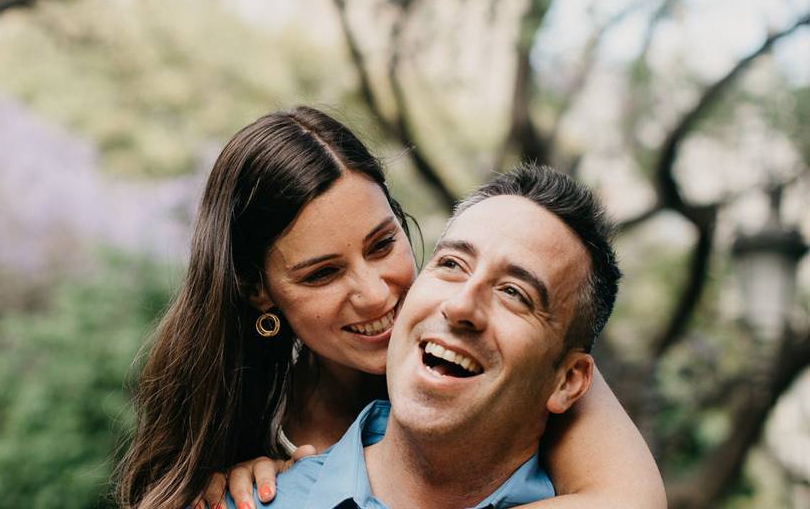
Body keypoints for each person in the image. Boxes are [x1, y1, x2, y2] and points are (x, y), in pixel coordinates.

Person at [115, 107, 665, 509]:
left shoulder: (505, 352)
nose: (378, 294)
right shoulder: (239, 434)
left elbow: (631, 499)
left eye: (383, 244)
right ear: (259, 292)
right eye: (323, 273)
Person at [225, 164, 651, 509]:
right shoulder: (242, 490)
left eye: (514, 293)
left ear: (568, 380)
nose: (462, 305)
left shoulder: (603, 486)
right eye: (451, 264)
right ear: (260, 294)